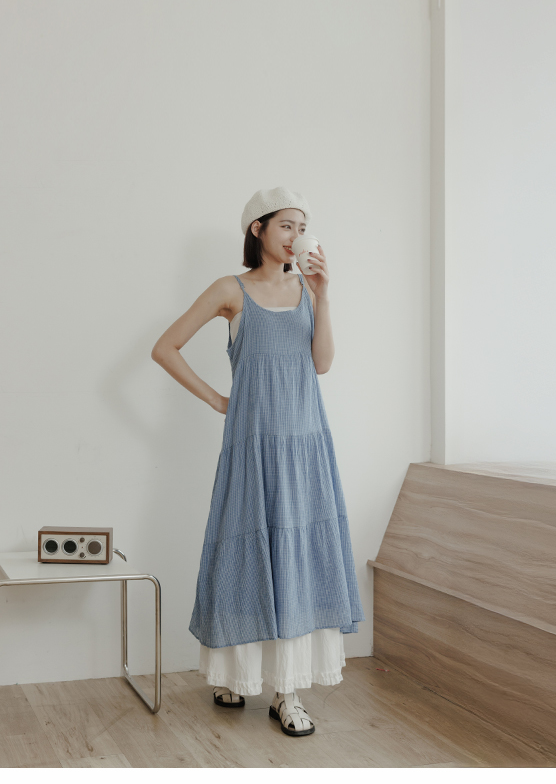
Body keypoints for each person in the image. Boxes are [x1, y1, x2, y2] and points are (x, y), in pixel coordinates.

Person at [151, 187, 365, 737]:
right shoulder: (231, 289)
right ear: (258, 229)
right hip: (252, 446)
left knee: (295, 559)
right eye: (286, 225)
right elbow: (165, 347)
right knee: (244, 554)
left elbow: (321, 365)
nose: (296, 237)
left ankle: (287, 692)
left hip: (305, 444)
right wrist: (219, 400)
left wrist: (324, 294)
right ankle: (234, 675)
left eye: (302, 227)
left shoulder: (307, 288)